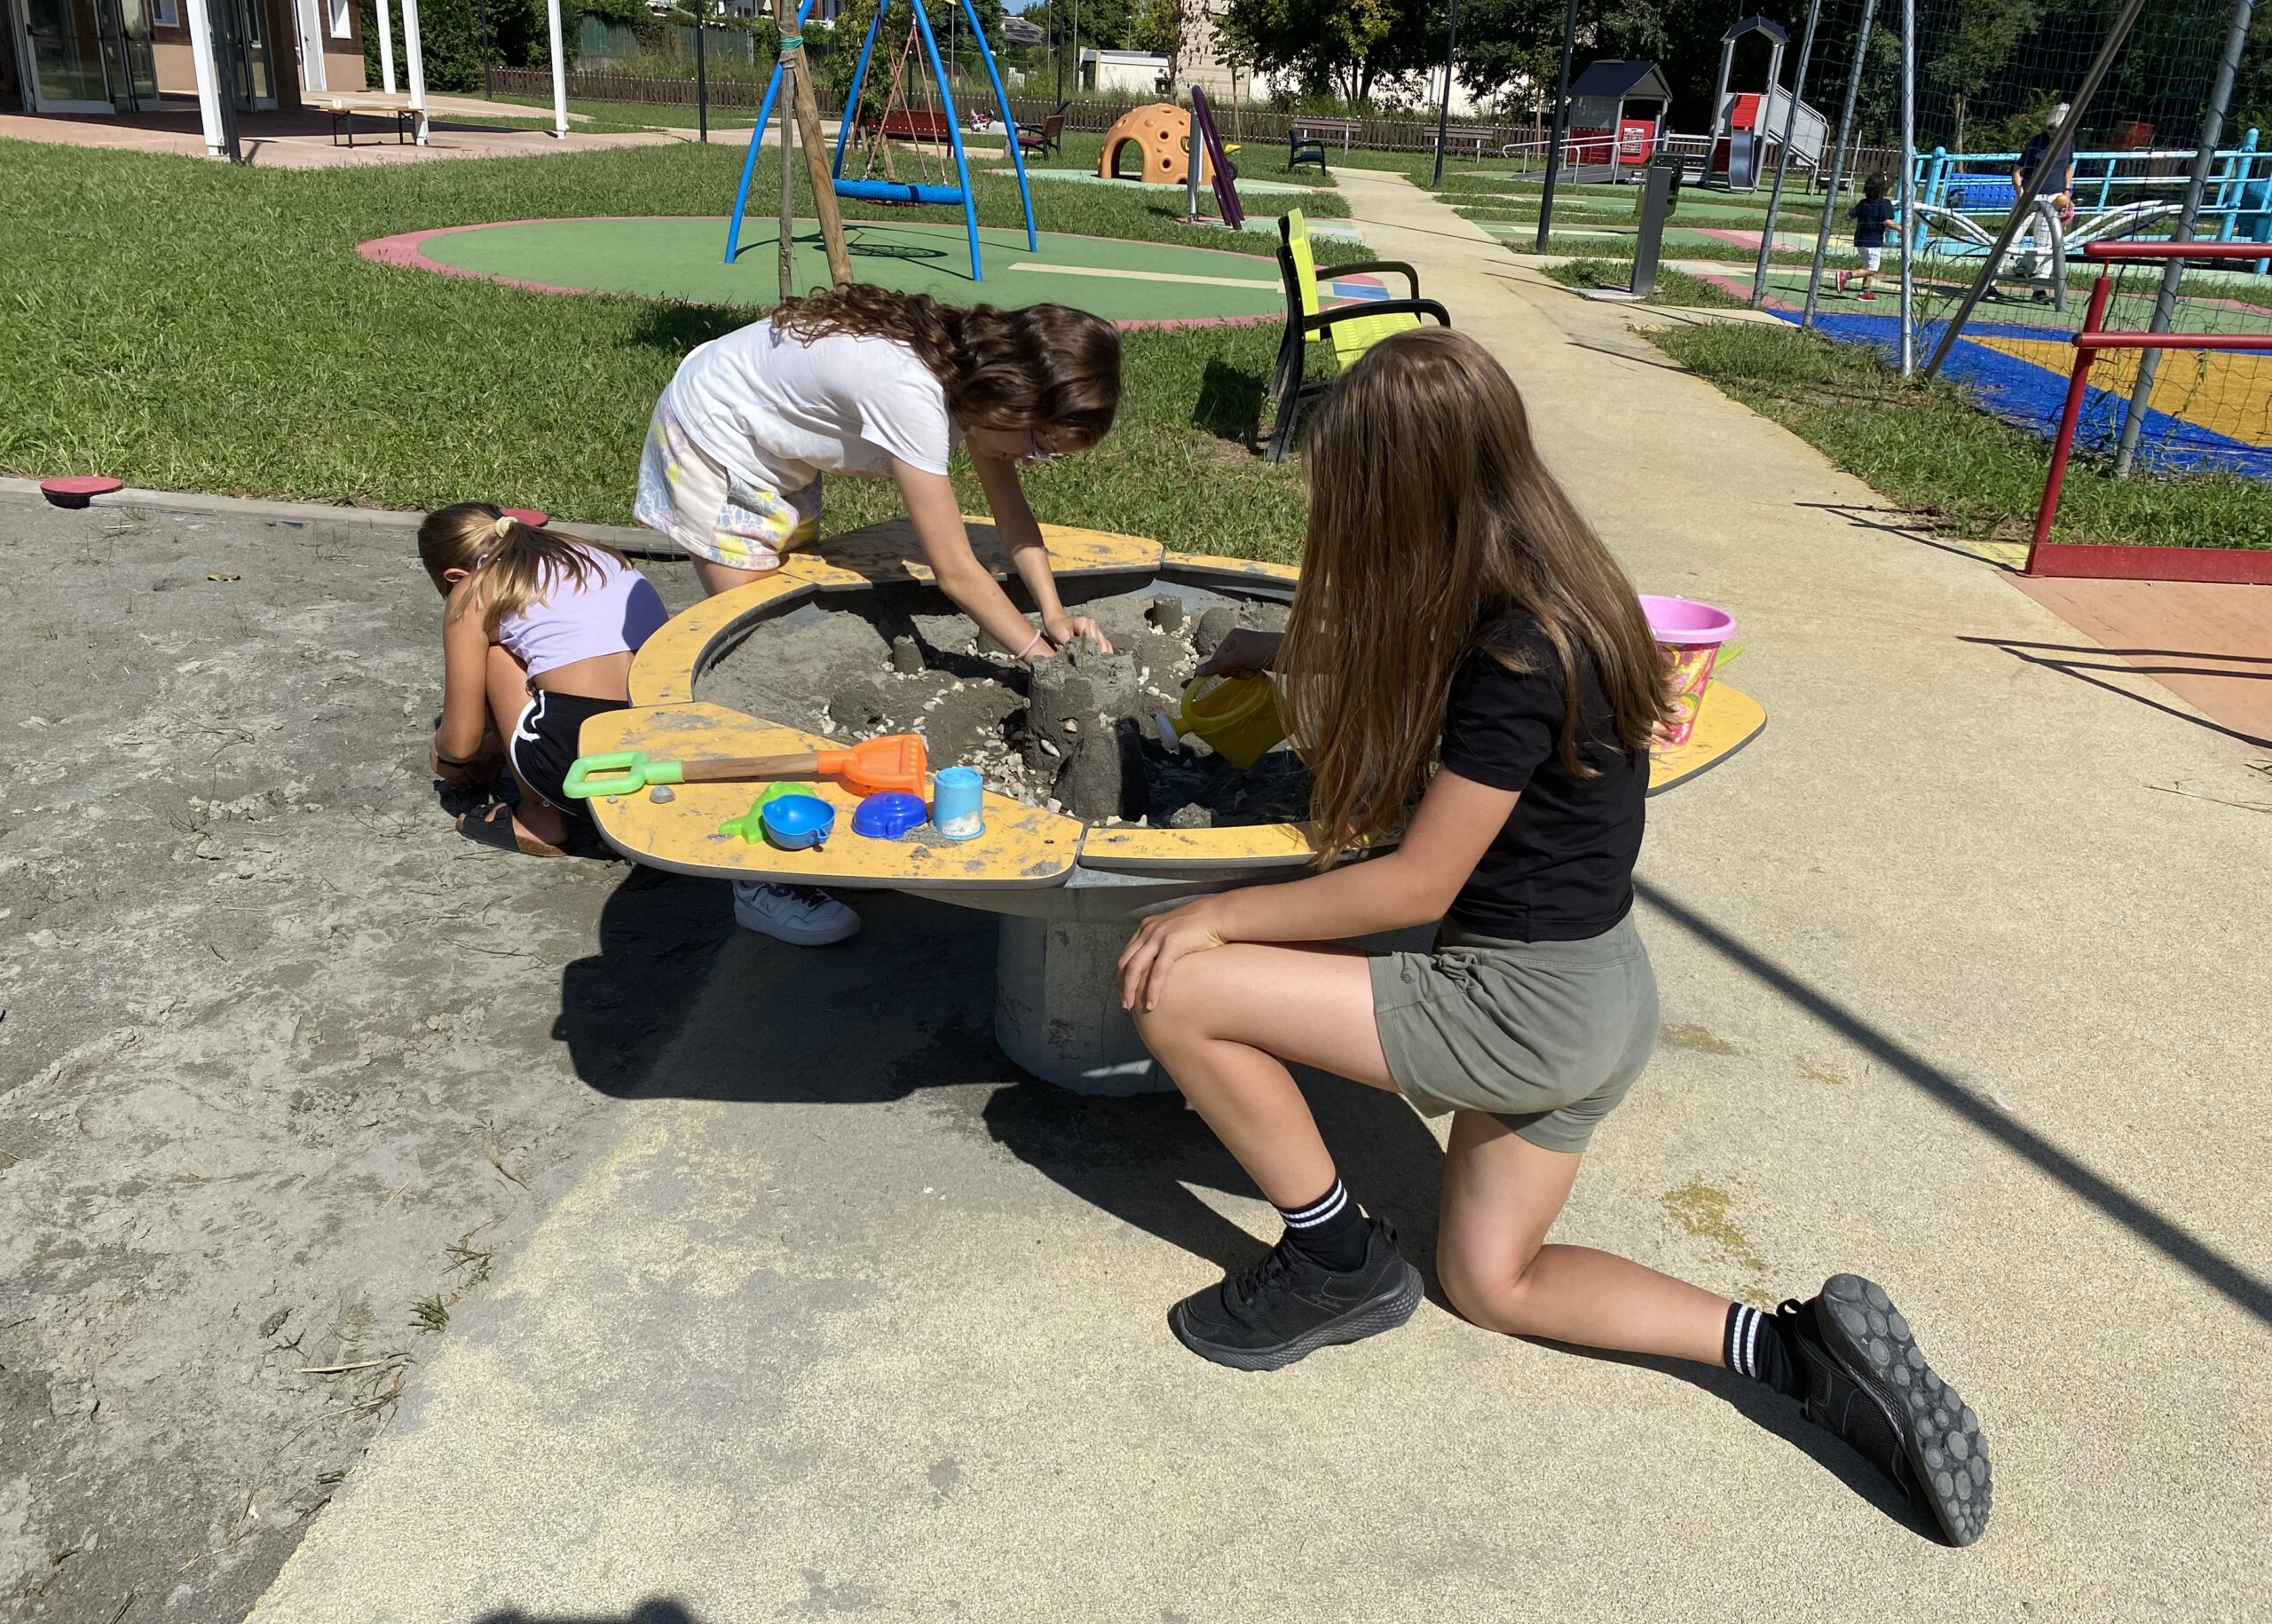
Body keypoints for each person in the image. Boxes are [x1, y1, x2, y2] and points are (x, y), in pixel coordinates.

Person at [1115, 330, 1993, 1549]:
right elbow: (1435, 677)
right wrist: (1287, 650)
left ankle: (1333, 1261)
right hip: (1604, 995)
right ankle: (1796, 1355)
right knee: (1492, 1285)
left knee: (1174, 986)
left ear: (1400, 496)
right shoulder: (1556, 593)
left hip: (1516, 1007)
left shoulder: (1513, 655)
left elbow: (1409, 883)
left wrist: (1211, 913)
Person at [636, 284, 1122, 946]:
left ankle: (794, 826)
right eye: (1040, 445)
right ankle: (759, 880)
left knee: (780, 605)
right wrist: (1040, 660)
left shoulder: (973, 386)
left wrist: (1054, 612)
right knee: (759, 645)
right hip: (715, 437)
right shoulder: (912, 393)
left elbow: (1007, 507)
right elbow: (952, 569)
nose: (1036, 461)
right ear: (1013, 397)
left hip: (768, 444)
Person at [419, 505, 669, 858]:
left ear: (456, 576)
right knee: (548, 657)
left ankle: (539, 820)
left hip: (580, 766)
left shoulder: (474, 589)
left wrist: (446, 761)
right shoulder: (593, 553)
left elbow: (460, 745)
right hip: (662, 749)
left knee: (495, 652)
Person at [1991, 103, 2076, 304]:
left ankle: (2039, 288)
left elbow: (2068, 167)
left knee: (2047, 243)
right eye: (2051, 129)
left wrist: (2067, 192)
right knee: (2011, 238)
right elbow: (2017, 170)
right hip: (2030, 196)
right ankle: (1990, 282)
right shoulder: (2037, 142)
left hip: (2054, 197)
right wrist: (2021, 193)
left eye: (2058, 130)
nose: (2053, 134)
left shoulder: (2070, 142)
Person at [1837, 174, 1897, 302]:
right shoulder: (1885, 204)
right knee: (1872, 269)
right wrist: (1902, 228)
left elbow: (1849, 216)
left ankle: (1865, 292)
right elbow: (1887, 222)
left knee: (1866, 266)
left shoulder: (1863, 203)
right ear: (1885, 190)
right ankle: (1846, 276)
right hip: (1874, 241)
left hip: (1860, 240)